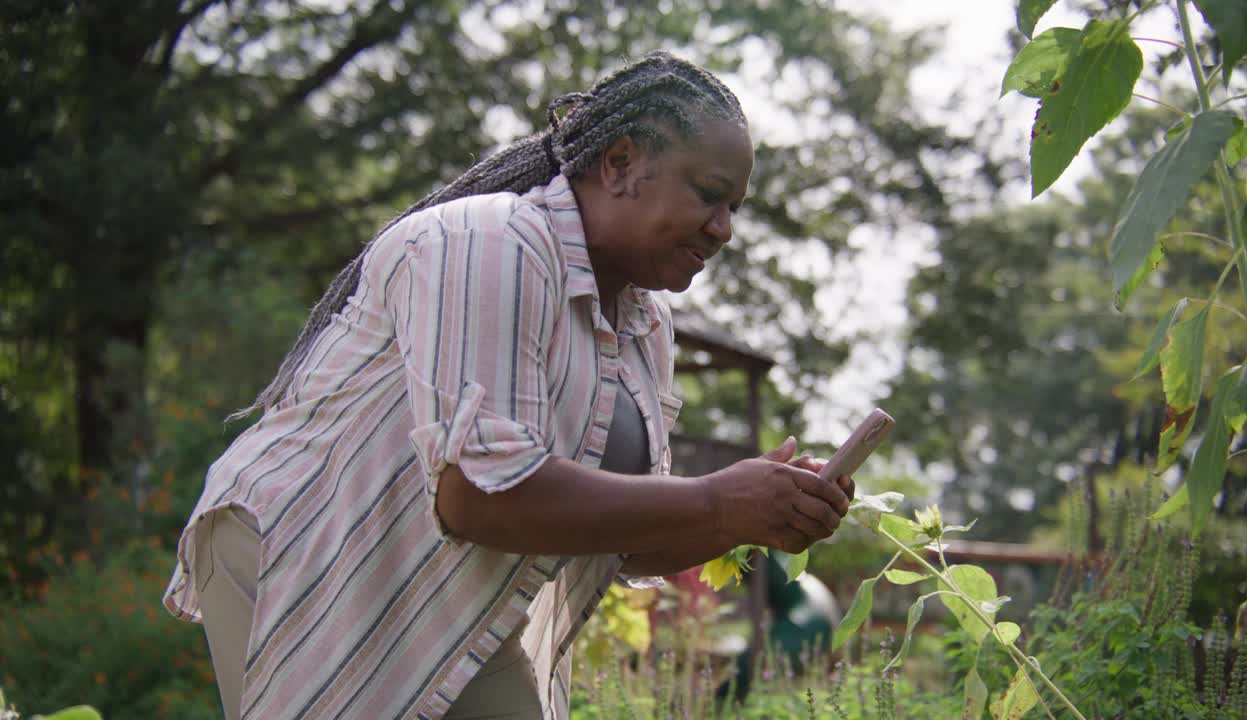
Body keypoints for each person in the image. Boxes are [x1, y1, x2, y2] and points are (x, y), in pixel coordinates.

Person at [164, 51, 852, 720]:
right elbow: (478, 497)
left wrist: (747, 515)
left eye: (734, 207)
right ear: (619, 164)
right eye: (708, 195)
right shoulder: (489, 244)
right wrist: (711, 498)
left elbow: (625, 544)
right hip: (312, 556)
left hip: (444, 585)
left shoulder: (645, 325)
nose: (725, 229)